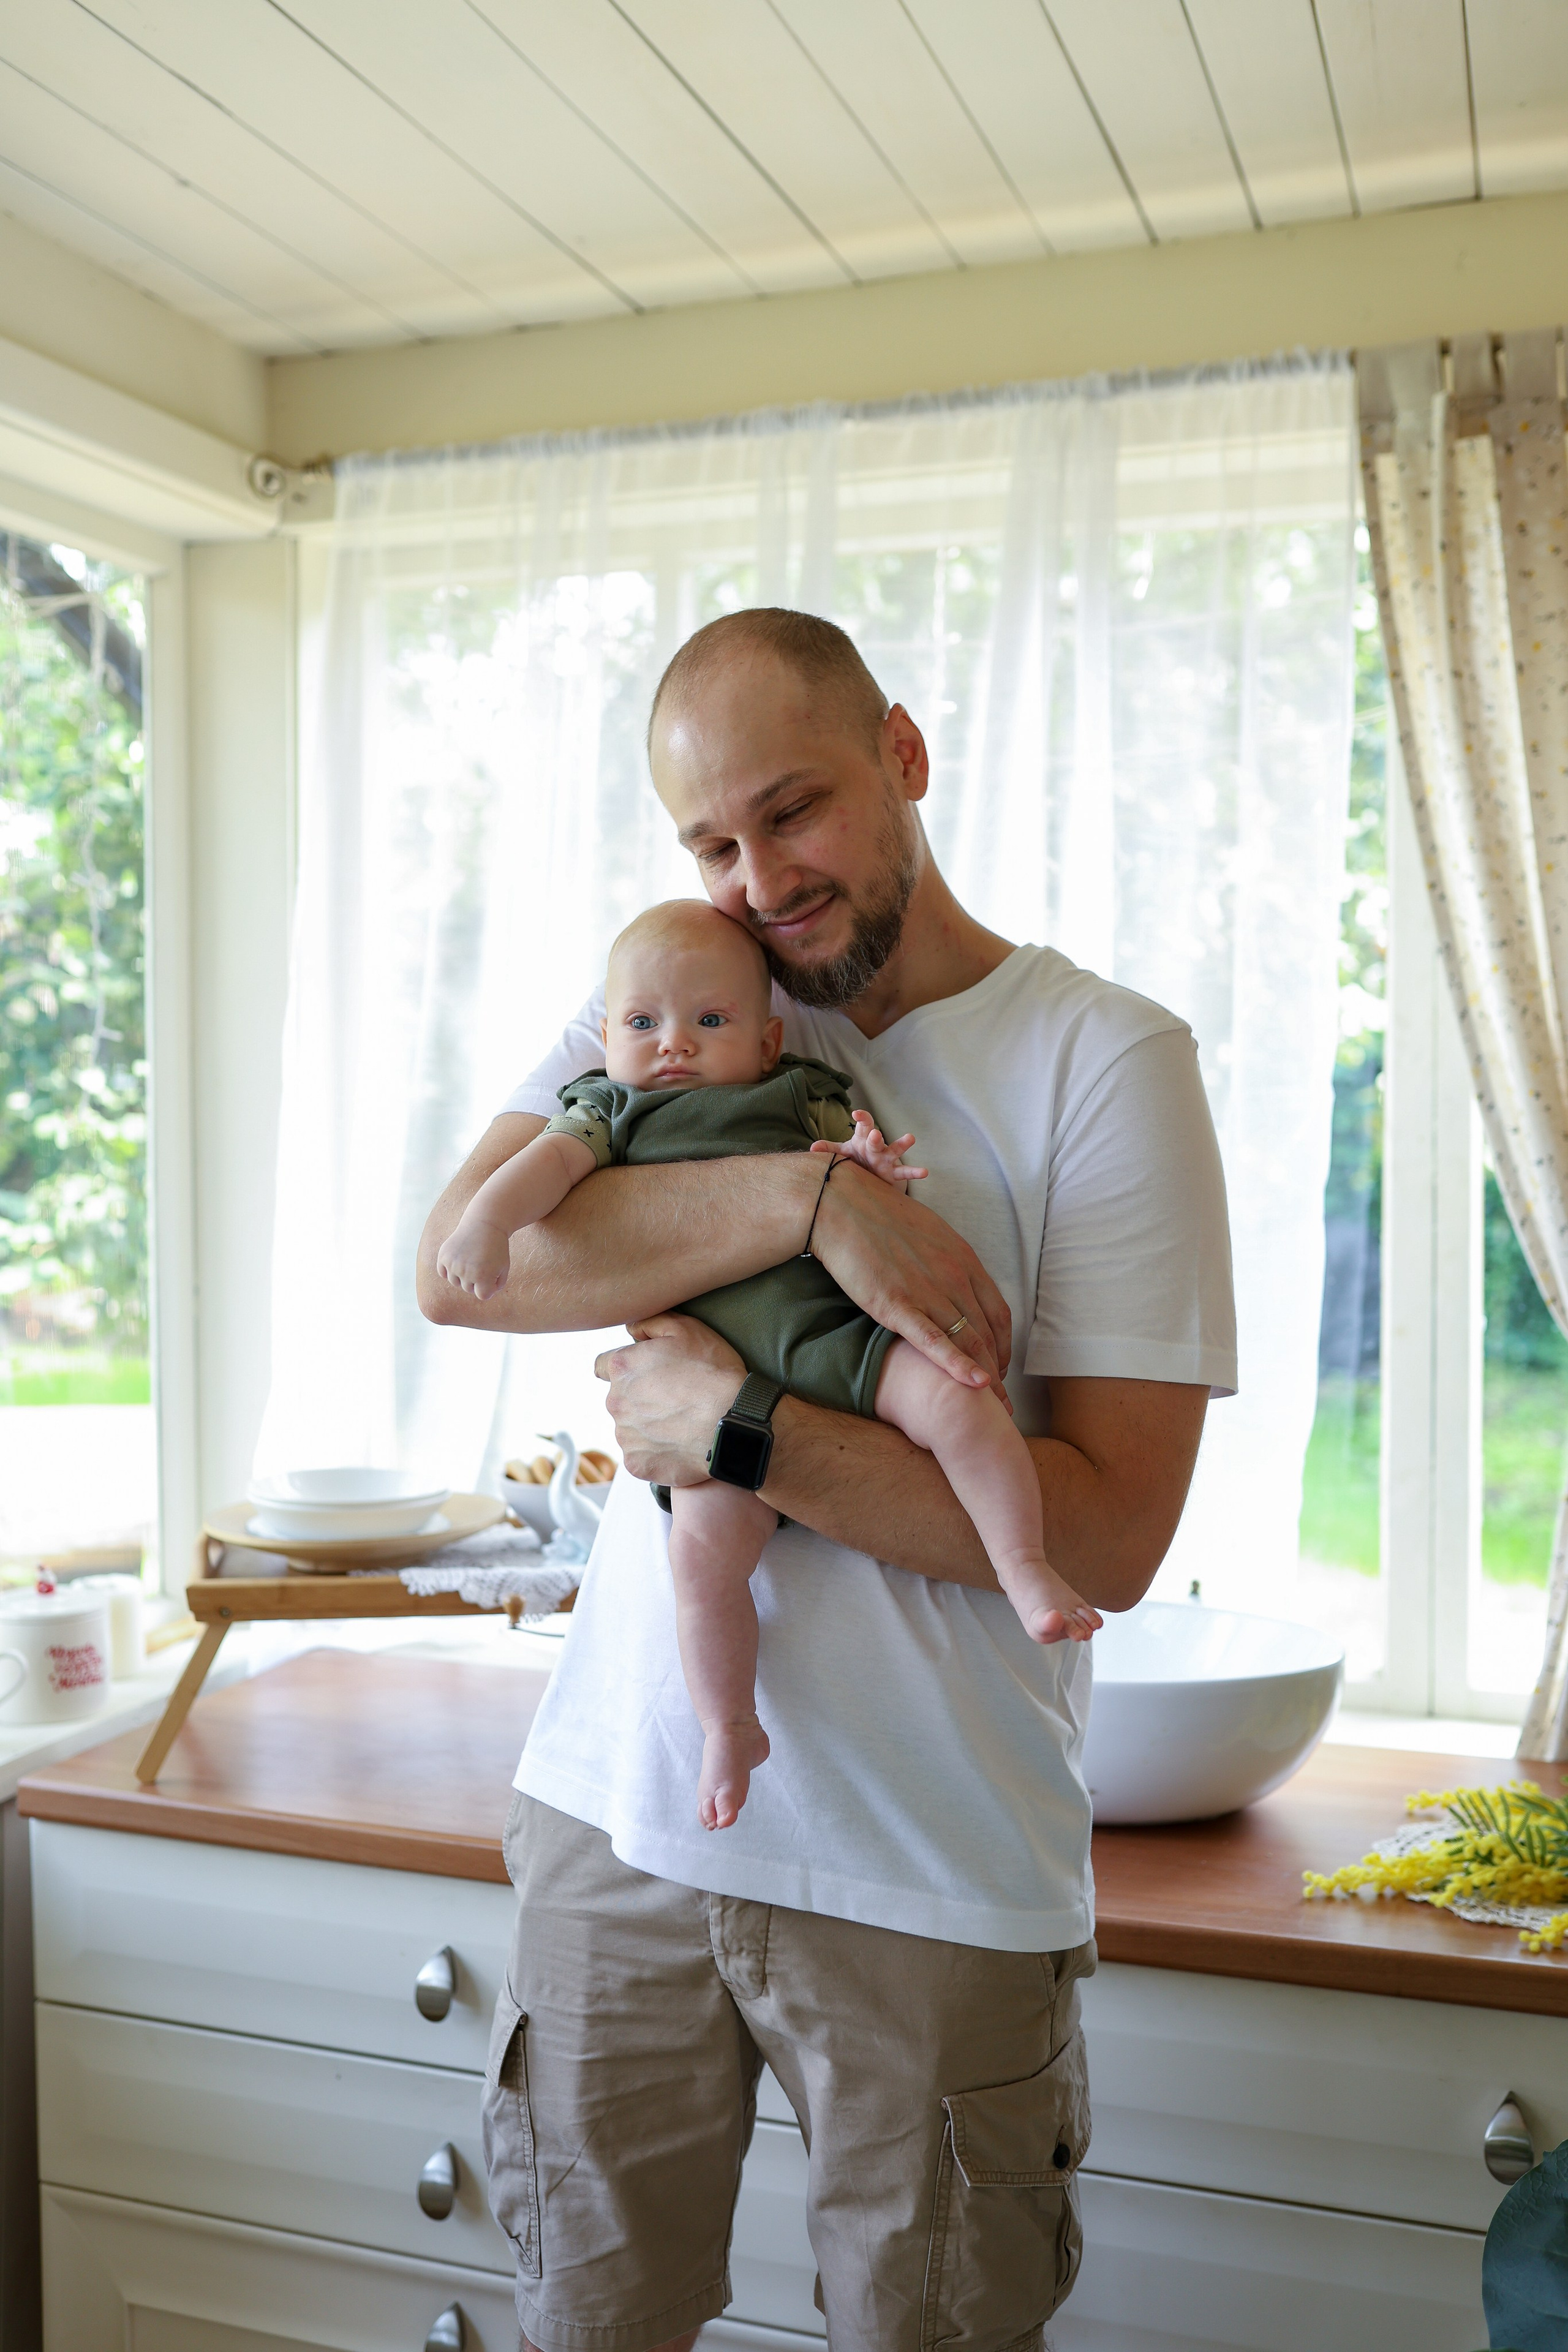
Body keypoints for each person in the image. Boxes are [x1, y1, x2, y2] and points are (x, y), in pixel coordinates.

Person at [418, 608, 1235, 2352]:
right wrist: (807, 1198)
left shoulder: (1104, 1061)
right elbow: (466, 1268)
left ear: (903, 756)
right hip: (618, 1817)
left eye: (792, 811)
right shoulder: (669, 1002)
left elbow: (1105, 1533)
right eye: (710, 842)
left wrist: (742, 1434)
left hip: (925, 1868)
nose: (758, 881)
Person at [432, 897, 1102, 1832]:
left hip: (839, 1343)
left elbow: (863, 1185)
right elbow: (540, 1177)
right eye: (642, 1023)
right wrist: (486, 1222)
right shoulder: (608, 1109)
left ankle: (1024, 1564)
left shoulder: (796, 1093)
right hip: (705, 1395)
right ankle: (728, 1724)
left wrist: (869, 1169)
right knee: (702, 1564)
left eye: (709, 1021)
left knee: (963, 1399)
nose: (674, 1042)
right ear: (607, 1036)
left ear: (766, 1038)